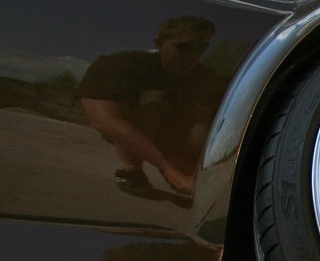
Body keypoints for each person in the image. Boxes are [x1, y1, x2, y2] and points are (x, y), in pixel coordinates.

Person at [77, 16, 222, 197]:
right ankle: (132, 169)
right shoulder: (124, 66)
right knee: (153, 98)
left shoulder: (205, 78)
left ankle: (182, 165)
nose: (192, 56)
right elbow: (103, 119)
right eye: (184, 47)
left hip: (175, 134)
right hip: (141, 124)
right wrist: (168, 169)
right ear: (160, 43)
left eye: (201, 48)